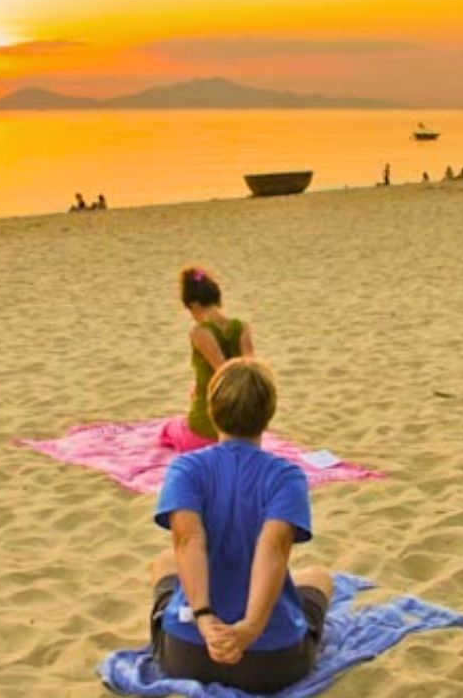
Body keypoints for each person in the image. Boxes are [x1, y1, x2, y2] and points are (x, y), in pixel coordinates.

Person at [148, 358, 332, 693]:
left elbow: (188, 541)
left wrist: (204, 618)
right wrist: (249, 629)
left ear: (213, 411)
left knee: (164, 562)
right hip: (273, 661)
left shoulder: (186, 469)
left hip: (189, 655)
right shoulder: (285, 476)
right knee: (317, 577)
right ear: (268, 413)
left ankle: (194, 619)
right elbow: (272, 548)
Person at [159, 267, 255, 453]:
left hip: (211, 426)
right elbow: (252, 371)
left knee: (169, 428)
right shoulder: (242, 327)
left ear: (194, 305)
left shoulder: (200, 332)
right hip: (243, 426)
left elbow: (223, 372)